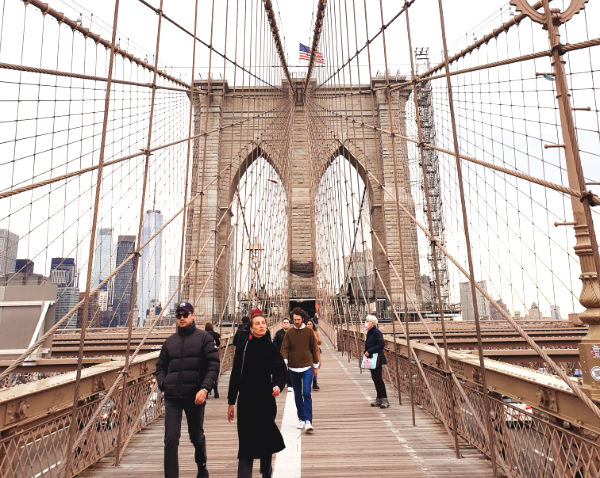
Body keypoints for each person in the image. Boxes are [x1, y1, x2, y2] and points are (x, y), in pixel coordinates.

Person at [155, 301, 220, 478]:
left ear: (193, 316)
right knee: (171, 439)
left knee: (196, 436)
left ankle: (202, 466)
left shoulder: (204, 338)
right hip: (173, 397)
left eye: (185, 314)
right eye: (179, 315)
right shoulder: (169, 342)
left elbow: (213, 365)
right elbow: (160, 367)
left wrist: (205, 389)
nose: (182, 318)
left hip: (195, 396)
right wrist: (164, 384)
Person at [227, 308, 286, 478]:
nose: (261, 326)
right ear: (251, 328)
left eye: (263, 323)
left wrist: (277, 385)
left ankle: (266, 471)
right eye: (257, 324)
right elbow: (235, 374)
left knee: (265, 439)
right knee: (245, 443)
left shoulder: (270, 347)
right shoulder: (244, 347)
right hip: (245, 400)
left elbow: (280, 369)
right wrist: (231, 401)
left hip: (265, 400)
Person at [280, 307, 319, 433]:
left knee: (306, 393)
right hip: (293, 367)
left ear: (302, 319)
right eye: (294, 319)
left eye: (298, 319)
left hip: (307, 366)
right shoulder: (289, 333)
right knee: (297, 395)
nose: (296, 321)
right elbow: (284, 348)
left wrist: (315, 366)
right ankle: (301, 419)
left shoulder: (308, 332)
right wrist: (285, 361)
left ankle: (308, 421)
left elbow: (314, 349)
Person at [364, 314, 389, 409]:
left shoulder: (377, 332)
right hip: (371, 358)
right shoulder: (369, 332)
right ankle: (379, 398)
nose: (365, 323)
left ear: (372, 323)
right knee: (374, 378)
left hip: (377, 358)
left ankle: (384, 399)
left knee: (378, 378)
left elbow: (381, 344)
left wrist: (369, 351)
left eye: (367, 321)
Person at [273, 318, 291, 391]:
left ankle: (290, 384)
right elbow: (275, 343)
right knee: (280, 370)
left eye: (287, 323)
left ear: (289, 324)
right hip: (280, 355)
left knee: (290, 369)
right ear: (282, 324)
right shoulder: (278, 333)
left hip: (290, 354)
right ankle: (279, 384)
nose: (285, 324)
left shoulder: (292, 332)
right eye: (284, 323)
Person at [204, 322, 221, 398]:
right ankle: (216, 392)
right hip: (214, 355)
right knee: (214, 374)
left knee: (205, 374)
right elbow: (218, 343)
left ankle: (206, 393)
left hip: (205, 356)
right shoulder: (214, 335)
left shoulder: (203, 335)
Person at [305, 319, 322, 391]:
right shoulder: (303, 333)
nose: (309, 325)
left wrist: (315, 338)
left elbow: (320, 342)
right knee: (307, 368)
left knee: (315, 367)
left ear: (313, 325)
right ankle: (307, 383)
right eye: (308, 324)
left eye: (310, 324)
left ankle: (315, 383)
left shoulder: (315, 332)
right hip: (306, 352)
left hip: (315, 352)